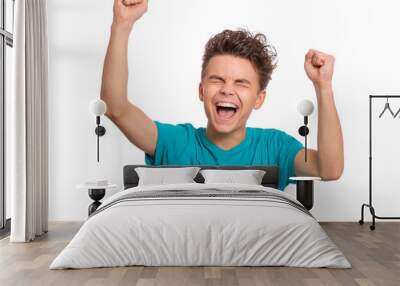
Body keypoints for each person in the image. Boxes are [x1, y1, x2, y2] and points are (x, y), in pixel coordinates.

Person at [101, 0, 344, 191]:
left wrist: (323, 86)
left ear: (259, 99)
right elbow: (115, 108)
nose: (227, 89)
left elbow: (329, 170)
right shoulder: (176, 142)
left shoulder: (275, 147)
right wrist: (122, 25)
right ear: (201, 90)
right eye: (217, 80)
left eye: (241, 83)